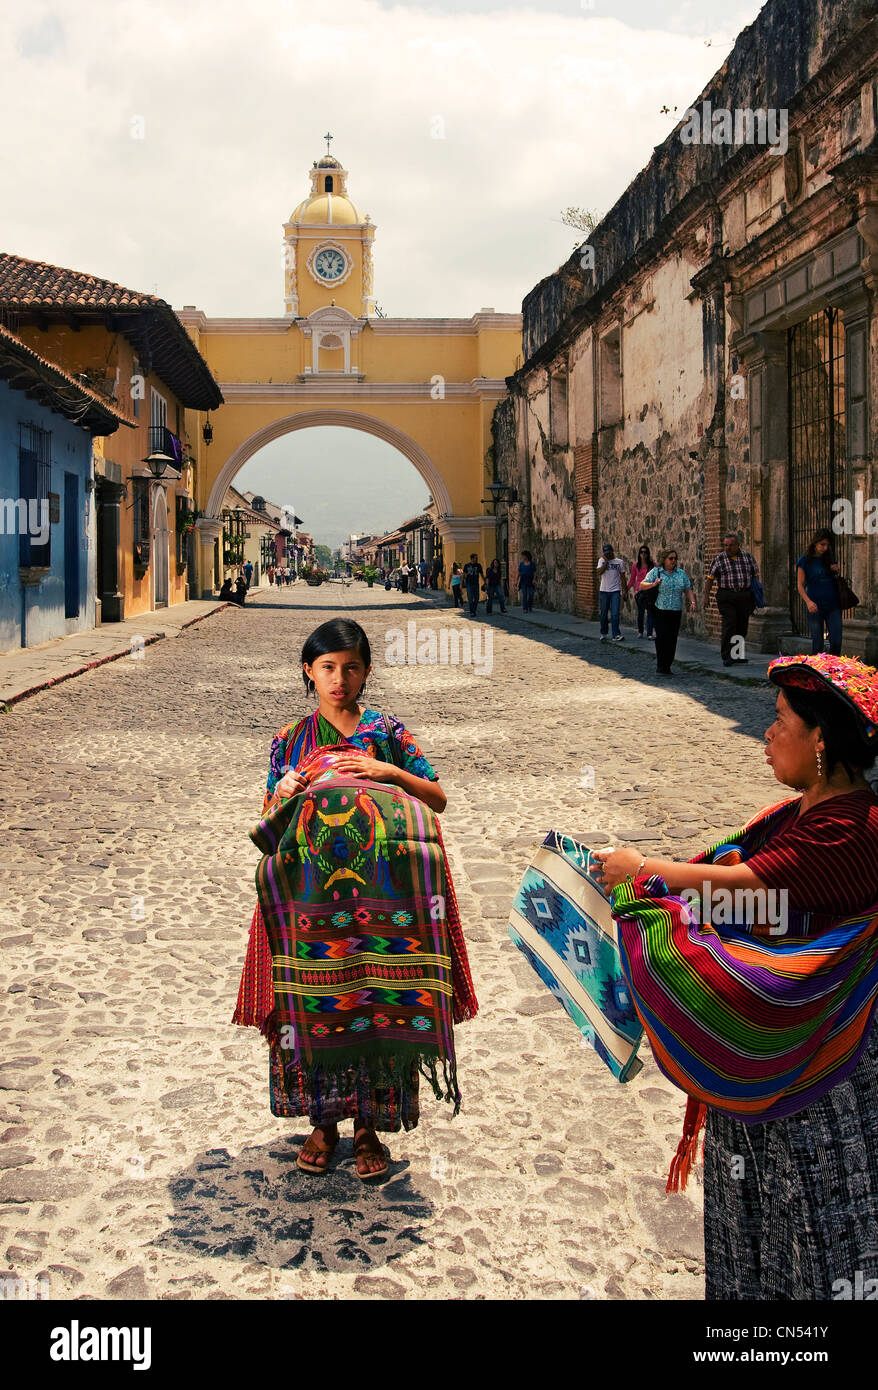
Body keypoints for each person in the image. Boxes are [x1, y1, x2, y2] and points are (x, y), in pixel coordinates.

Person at [592, 653, 878, 1300]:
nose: (766, 734)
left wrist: (648, 873)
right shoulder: (800, 814)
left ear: (823, 739)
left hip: (817, 1075)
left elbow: (749, 892)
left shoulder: (853, 831)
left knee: (811, 1232)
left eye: (780, 722)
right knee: (754, 1226)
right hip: (777, 1078)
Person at [233, 618, 478, 1179]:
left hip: (384, 903)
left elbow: (437, 799)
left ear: (366, 672)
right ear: (308, 672)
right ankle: (323, 1124)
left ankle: (370, 1128)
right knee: (314, 1001)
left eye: (351, 668)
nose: (339, 679)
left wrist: (387, 771)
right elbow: (267, 823)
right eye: (328, 668)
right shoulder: (290, 741)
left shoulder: (387, 733)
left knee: (375, 1001)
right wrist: (282, 792)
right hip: (310, 903)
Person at [704, 532, 759, 667]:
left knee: (742, 626)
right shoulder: (719, 559)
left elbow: (756, 576)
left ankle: (738, 655)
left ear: (738, 545)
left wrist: (756, 595)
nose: (728, 548)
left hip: (744, 595)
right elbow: (710, 579)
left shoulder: (747, 557)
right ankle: (727, 656)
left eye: (731, 545)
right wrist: (706, 596)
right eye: (726, 545)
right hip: (726, 596)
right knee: (730, 623)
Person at [639, 548, 695, 676]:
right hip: (660, 610)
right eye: (671, 558)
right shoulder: (656, 572)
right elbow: (642, 585)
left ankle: (668, 665)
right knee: (662, 638)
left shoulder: (681, 574)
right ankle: (661, 665)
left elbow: (687, 588)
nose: (673, 561)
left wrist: (693, 602)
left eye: (675, 558)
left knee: (672, 639)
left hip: (675, 610)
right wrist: (653, 584)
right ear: (664, 559)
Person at [797, 527, 843, 656]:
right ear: (815, 543)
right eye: (822, 544)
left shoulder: (829, 558)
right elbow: (800, 585)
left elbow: (834, 580)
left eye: (827, 545)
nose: (825, 548)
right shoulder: (804, 560)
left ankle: (833, 670)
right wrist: (808, 602)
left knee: (836, 640)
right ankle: (816, 672)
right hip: (815, 605)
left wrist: (835, 570)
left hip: (833, 605)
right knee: (817, 643)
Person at [597, 542, 627, 642]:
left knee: (615, 613)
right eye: (606, 553)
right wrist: (606, 563)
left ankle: (616, 634)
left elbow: (623, 578)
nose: (608, 555)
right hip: (604, 591)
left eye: (609, 553)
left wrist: (625, 591)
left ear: (612, 552)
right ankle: (604, 633)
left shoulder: (619, 562)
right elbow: (599, 572)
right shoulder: (601, 561)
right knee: (604, 614)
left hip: (615, 591)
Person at [629, 544, 655, 640]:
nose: (643, 554)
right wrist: (626, 590)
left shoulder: (652, 565)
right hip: (639, 592)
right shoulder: (636, 566)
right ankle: (640, 631)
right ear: (639, 554)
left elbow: (656, 577)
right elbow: (632, 580)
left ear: (648, 554)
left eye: (645, 552)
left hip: (650, 592)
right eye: (641, 552)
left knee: (650, 613)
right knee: (640, 613)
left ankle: (649, 633)